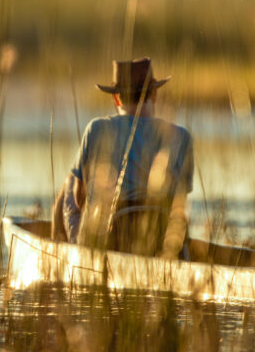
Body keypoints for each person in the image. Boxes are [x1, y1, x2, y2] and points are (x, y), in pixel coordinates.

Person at [51, 57, 193, 259]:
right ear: (154, 95)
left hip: (111, 241)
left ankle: (70, 258)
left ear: (116, 98)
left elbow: (79, 199)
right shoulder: (181, 136)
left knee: (71, 181)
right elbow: (179, 205)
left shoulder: (96, 128)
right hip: (162, 242)